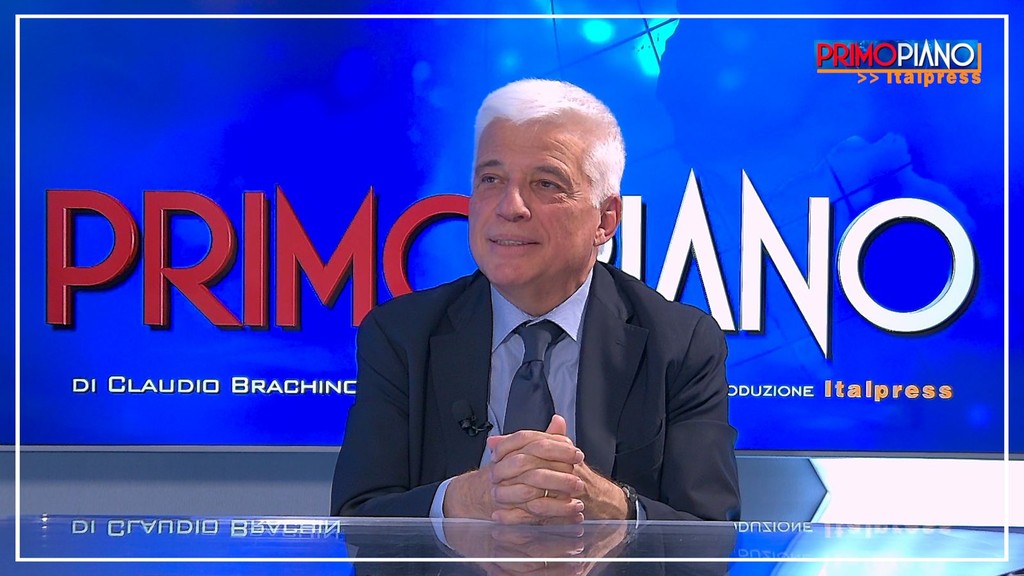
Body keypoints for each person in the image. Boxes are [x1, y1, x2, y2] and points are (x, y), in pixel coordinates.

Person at [331, 78, 740, 523]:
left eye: (546, 183)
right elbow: (359, 517)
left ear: (605, 220)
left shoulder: (681, 344)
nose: (510, 206)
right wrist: (462, 501)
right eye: (491, 179)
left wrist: (614, 507)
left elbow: (711, 533)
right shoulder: (401, 335)